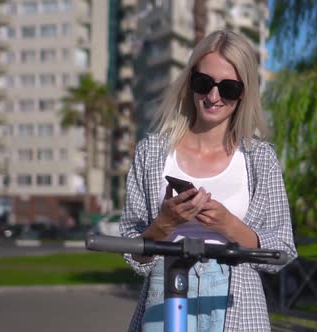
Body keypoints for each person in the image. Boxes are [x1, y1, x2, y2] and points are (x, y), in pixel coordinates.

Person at [119, 30, 297, 331]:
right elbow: (132, 253)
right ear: (190, 82)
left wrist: (227, 224)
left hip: (236, 304)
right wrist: (164, 224)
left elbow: (282, 250)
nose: (213, 97)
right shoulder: (151, 153)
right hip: (166, 297)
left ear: (243, 93)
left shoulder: (260, 159)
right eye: (204, 83)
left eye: (227, 88)